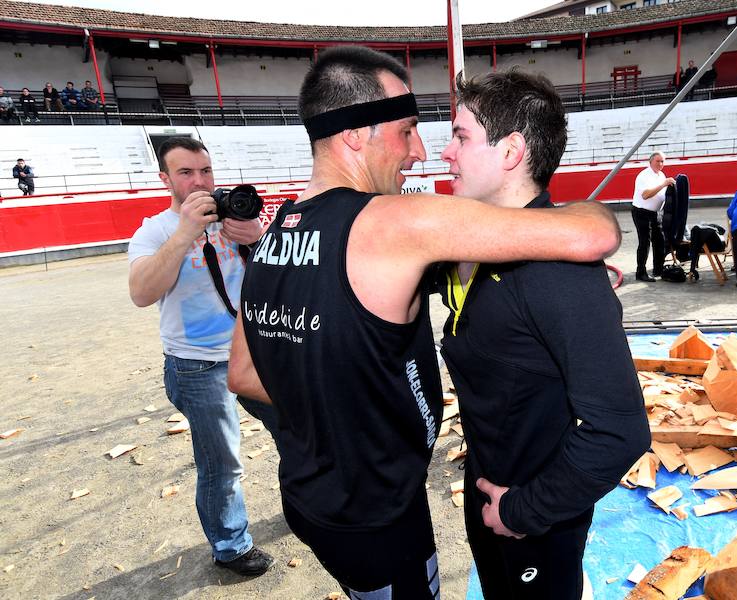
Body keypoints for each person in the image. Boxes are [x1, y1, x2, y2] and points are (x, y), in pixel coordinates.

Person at [227, 46, 621, 599]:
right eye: (407, 129)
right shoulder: (395, 222)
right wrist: (597, 216)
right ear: (355, 134)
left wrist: (325, 428)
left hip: (310, 498)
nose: (421, 151)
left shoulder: (276, 234)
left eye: (453, 136)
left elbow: (243, 374)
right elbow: (593, 234)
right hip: (382, 510)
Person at [437, 70, 650, 600]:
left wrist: (524, 510)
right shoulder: (475, 247)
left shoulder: (560, 275)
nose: (446, 153)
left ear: (511, 151)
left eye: (461, 136)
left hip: (534, 512)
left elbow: (620, 430)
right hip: (488, 484)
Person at [127, 137, 275, 577]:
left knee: (296, 433)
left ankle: (305, 505)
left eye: (205, 171)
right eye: (186, 173)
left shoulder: (237, 218)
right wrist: (185, 234)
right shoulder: (154, 230)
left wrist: (259, 239)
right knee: (223, 462)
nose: (199, 181)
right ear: (165, 179)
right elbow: (141, 292)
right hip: (196, 365)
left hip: (253, 352)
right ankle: (231, 545)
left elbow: (285, 277)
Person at [632, 151, 675, 282]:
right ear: (650, 162)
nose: (660, 164)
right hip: (641, 212)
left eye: (662, 161)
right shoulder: (644, 175)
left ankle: (658, 269)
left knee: (660, 241)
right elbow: (645, 195)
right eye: (658, 161)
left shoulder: (661, 175)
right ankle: (640, 272)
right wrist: (663, 184)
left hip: (655, 213)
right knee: (645, 242)